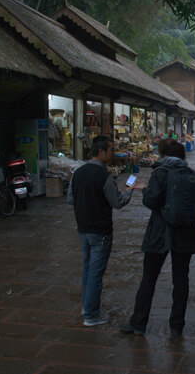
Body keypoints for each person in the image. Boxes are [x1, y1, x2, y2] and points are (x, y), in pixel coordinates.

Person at [120, 139, 195, 337]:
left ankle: (138, 323)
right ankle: (176, 326)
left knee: (149, 278)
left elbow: (152, 201)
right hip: (186, 234)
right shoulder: (193, 176)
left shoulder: (160, 172)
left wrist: (144, 190)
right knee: (181, 280)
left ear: (163, 155)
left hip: (160, 231)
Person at [67, 136, 146, 327]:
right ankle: (92, 315)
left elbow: (70, 199)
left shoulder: (78, 173)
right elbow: (117, 202)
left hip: (83, 229)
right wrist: (130, 190)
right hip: (100, 231)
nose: (113, 153)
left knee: (87, 269)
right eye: (111, 150)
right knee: (95, 273)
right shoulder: (104, 177)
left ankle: (87, 306)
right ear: (101, 152)